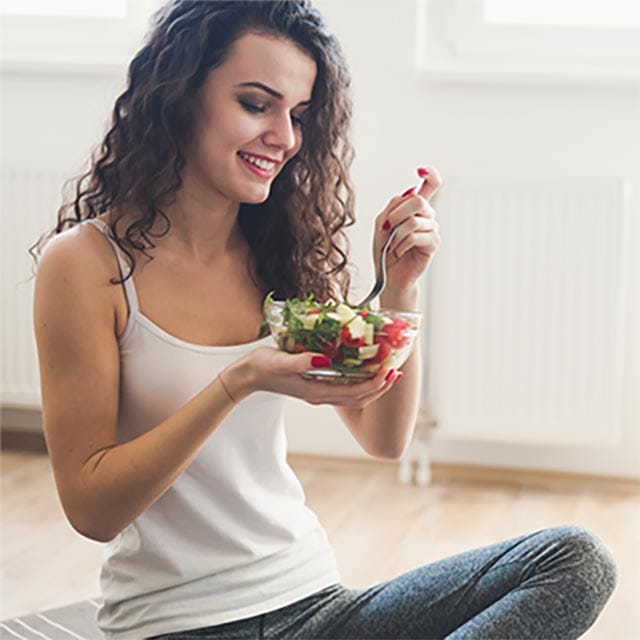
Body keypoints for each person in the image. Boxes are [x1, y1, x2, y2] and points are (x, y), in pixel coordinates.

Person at [31, 1, 617, 638]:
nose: (284, 137)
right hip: (179, 624)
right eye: (257, 104)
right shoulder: (88, 265)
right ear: (178, 97)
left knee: (576, 560)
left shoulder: (278, 251)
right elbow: (92, 509)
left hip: (313, 602)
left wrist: (399, 288)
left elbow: (383, 436)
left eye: (300, 116)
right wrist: (237, 381)